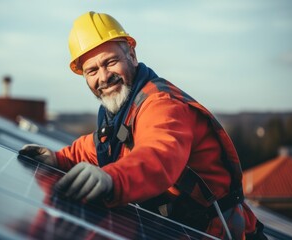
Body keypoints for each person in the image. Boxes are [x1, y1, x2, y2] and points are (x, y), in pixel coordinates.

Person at [19, 11, 267, 239]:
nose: (103, 77)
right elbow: (100, 145)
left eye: (110, 62)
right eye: (92, 70)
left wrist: (112, 180)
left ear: (132, 55)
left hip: (220, 233)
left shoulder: (161, 106)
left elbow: (157, 157)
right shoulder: (122, 109)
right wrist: (57, 159)